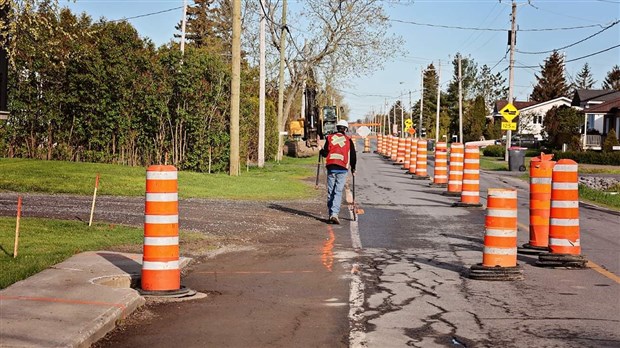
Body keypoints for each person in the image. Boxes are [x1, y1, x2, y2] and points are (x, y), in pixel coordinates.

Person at [319, 120, 357, 224]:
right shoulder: (348, 140)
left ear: (337, 128)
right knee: (338, 191)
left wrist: (321, 151)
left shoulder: (330, 138)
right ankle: (334, 214)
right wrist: (353, 168)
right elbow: (353, 156)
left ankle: (331, 213)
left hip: (331, 166)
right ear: (345, 129)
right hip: (342, 168)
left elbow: (325, 153)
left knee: (331, 190)